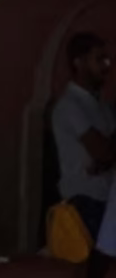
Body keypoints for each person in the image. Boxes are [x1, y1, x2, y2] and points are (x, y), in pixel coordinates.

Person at [50, 32, 116, 240]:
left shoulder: (102, 106)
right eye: (99, 59)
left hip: (107, 202)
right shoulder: (70, 106)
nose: (106, 65)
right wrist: (105, 157)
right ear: (79, 62)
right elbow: (103, 152)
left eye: (107, 60)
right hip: (84, 205)